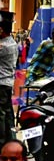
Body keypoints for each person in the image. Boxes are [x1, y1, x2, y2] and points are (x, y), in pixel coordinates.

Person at [0, 14, 16, 142]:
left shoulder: (4, 46)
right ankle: (11, 139)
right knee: (8, 113)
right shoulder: (12, 42)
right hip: (7, 82)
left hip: (2, 83)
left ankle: (2, 141)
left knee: (1, 115)